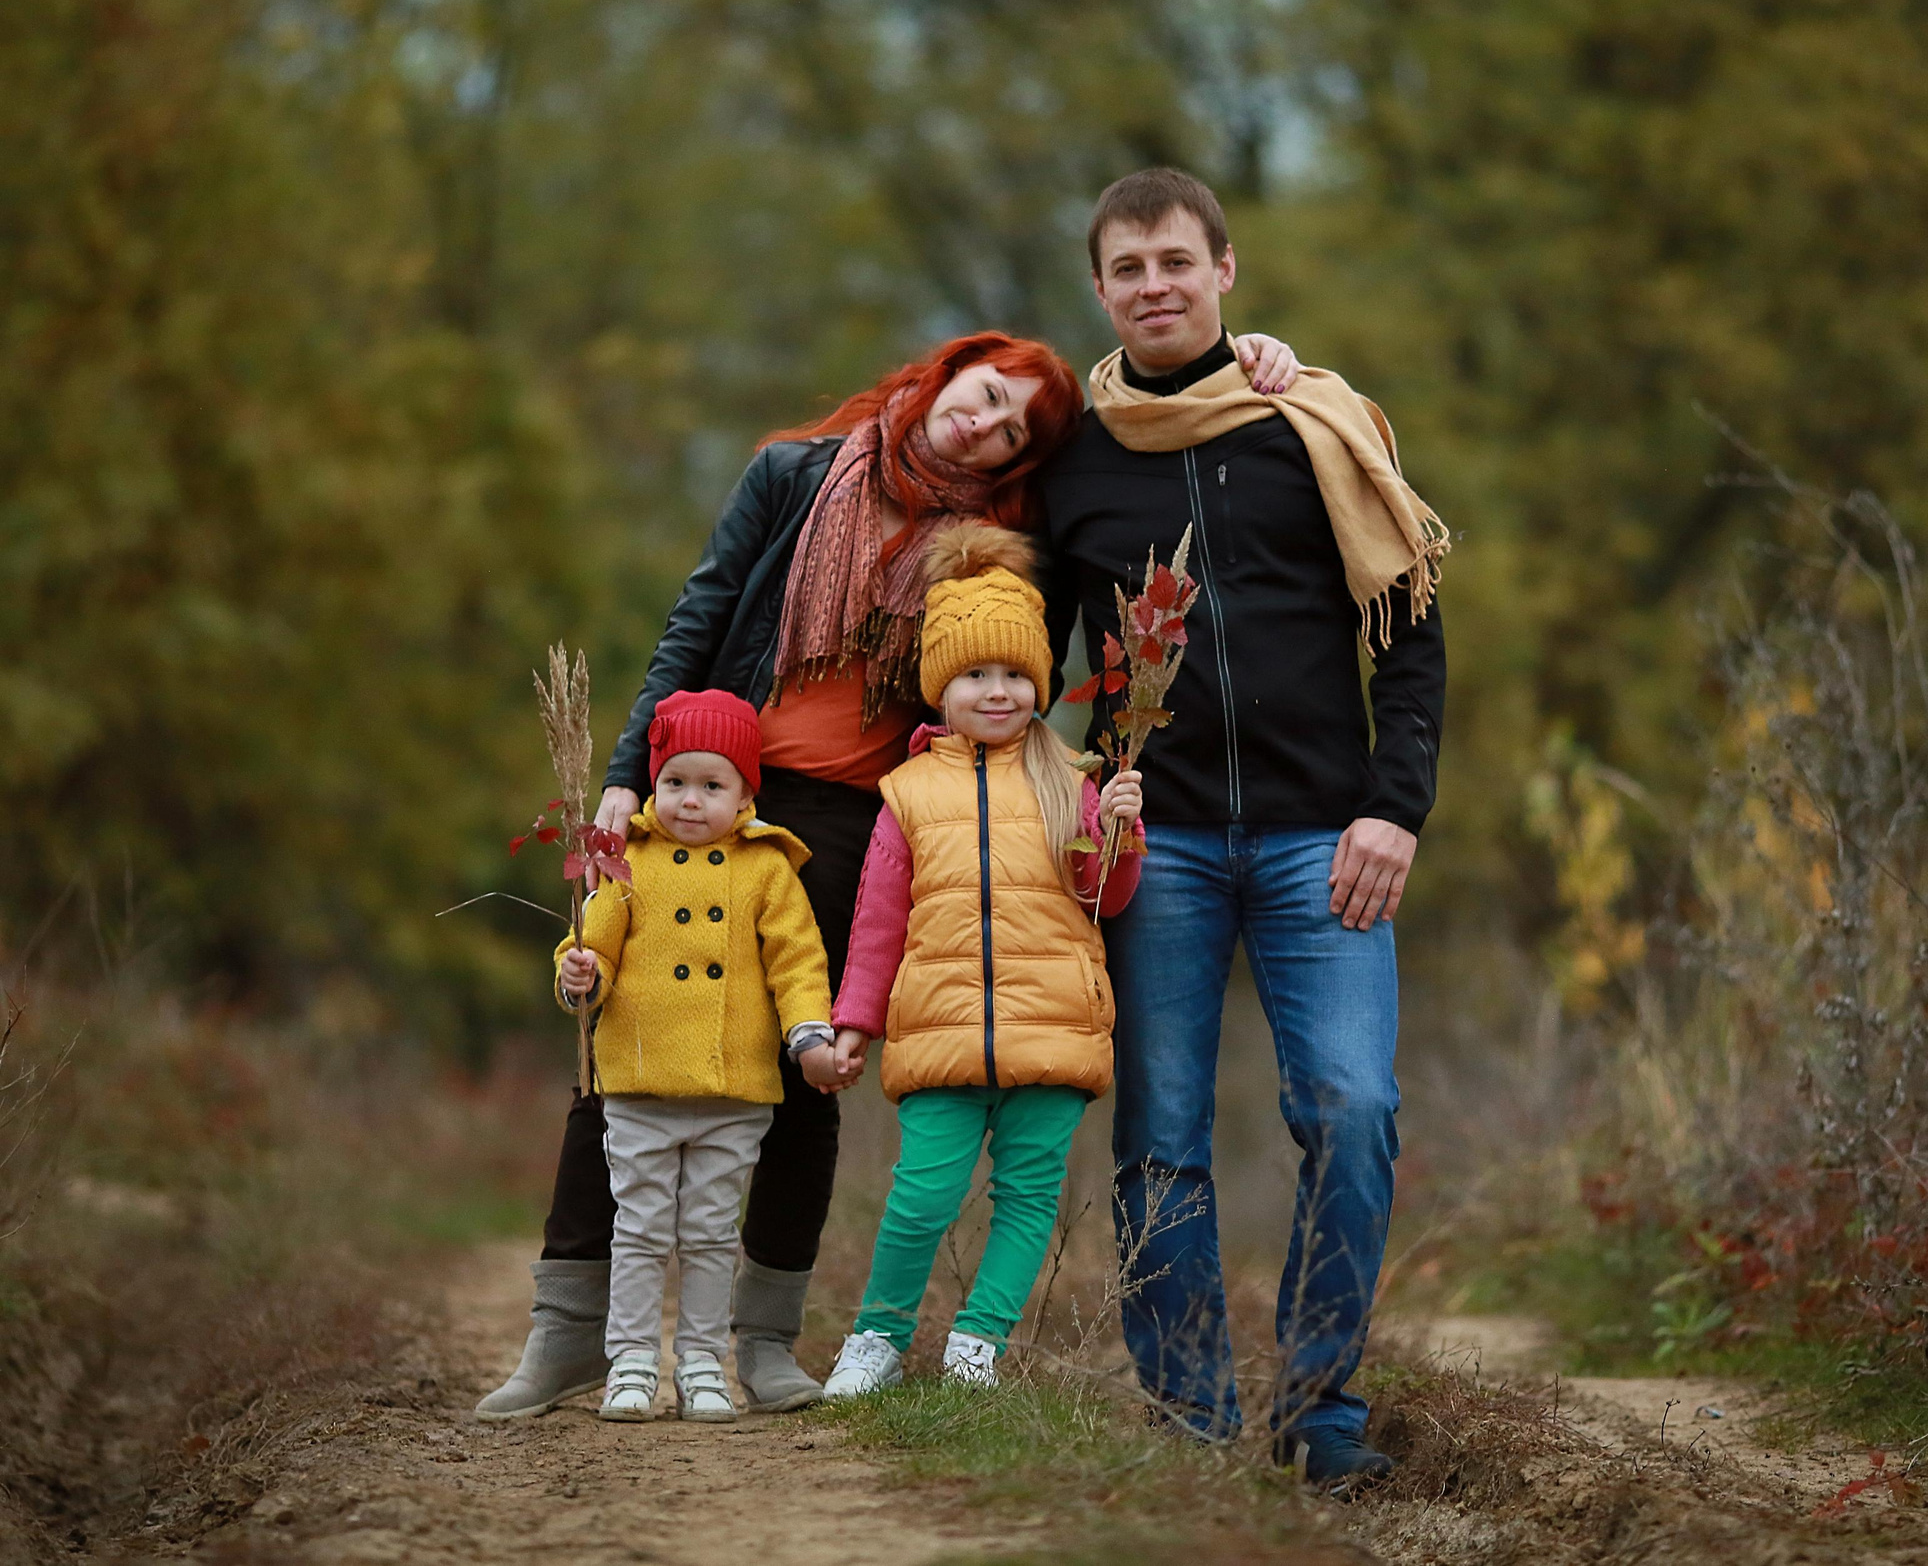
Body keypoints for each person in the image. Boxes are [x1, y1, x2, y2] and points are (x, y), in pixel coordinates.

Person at [477, 327, 1299, 1421]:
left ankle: (763, 1340)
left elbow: (1020, 679)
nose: (987, 425)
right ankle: (569, 1330)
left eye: (1014, 434)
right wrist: (631, 775)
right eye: (989, 394)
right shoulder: (794, 474)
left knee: (801, 1064)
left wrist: (1249, 361)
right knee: (624, 1050)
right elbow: (699, 621)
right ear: (948, 370)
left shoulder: (999, 546)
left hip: (862, 815)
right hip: (716, 792)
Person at [1038, 168, 1449, 1493]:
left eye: (1176, 260)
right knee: (1161, 1133)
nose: (1153, 285)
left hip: (1323, 836)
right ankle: (1193, 1420)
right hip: (1151, 849)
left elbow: (1410, 636)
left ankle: (1321, 1416)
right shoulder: (1072, 462)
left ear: (1224, 269)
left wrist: (1393, 807)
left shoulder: (1311, 424)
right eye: (1128, 268)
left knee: (1353, 1107)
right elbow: (1024, 654)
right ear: (1099, 290)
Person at [810, 523, 1145, 1396]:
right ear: (941, 686)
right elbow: (879, 922)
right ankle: (877, 1337)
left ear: (1039, 683)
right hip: (941, 1029)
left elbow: (1103, 897)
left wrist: (1121, 833)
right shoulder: (910, 792)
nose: (997, 691)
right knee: (921, 1195)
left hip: (1052, 1028)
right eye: (975, 674)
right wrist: (855, 1020)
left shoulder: (1071, 777)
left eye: (1014, 675)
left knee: (1029, 1197)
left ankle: (978, 1342)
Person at [550, 689, 842, 1422]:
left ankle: (704, 1363)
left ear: (745, 793)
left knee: (711, 1234)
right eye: (675, 781)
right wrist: (581, 972)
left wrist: (808, 1033)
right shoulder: (629, 862)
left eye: (712, 785)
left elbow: (798, 962)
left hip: (732, 1090)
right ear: (654, 782)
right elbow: (593, 944)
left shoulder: (767, 867)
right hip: (642, 1084)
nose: (689, 800)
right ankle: (631, 1360)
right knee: (640, 1229)